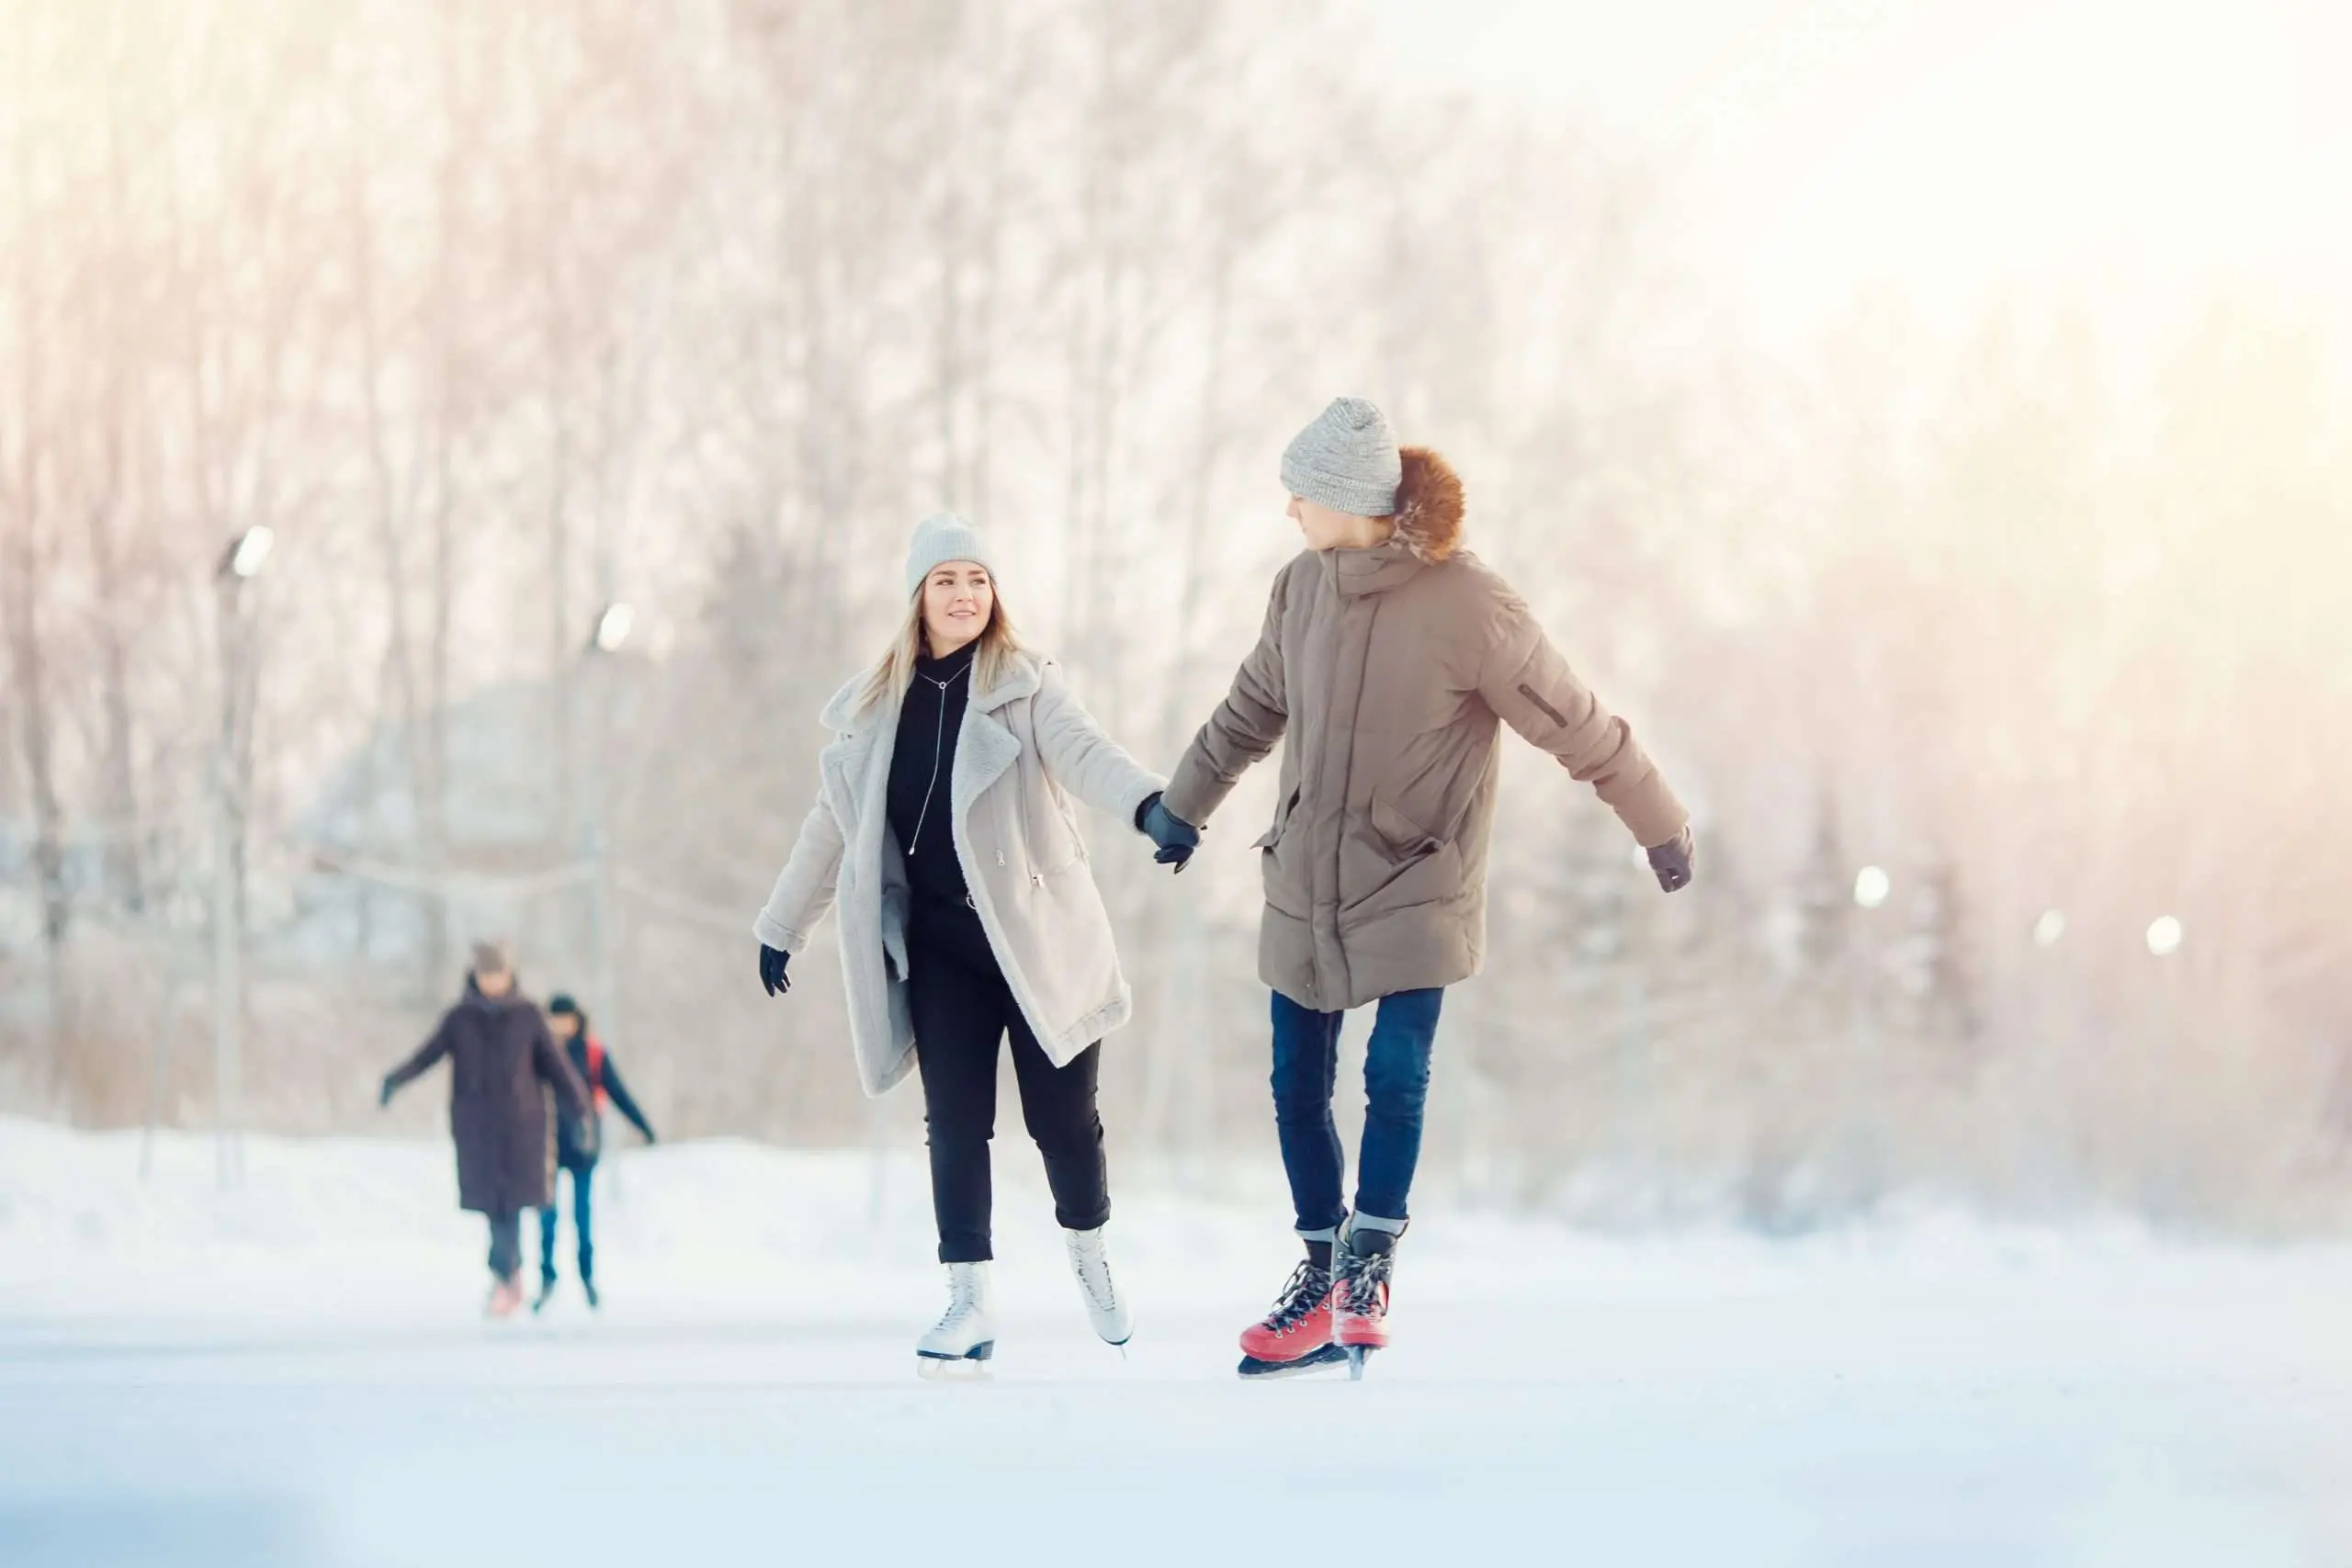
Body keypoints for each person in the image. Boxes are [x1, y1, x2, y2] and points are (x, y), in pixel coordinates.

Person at [1156, 398, 1696, 1379]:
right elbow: (1250, 709)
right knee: (1292, 1086)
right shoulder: (1300, 590)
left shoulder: (1471, 607)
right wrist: (1182, 805)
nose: (1288, 509)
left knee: (1395, 1077)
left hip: (1415, 877)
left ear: (1349, 501)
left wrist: (1657, 822)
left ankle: (1370, 1260)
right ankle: (1319, 1271)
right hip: (1303, 877)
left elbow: (1572, 720)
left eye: (1301, 494)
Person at [752, 513, 1192, 1378]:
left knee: (1061, 1122)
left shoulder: (1025, 689)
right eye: (947, 579)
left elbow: (1086, 754)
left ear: (996, 597)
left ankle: (1089, 1249)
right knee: (954, 1120)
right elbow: (828, 826)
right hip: (940, 945)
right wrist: (781, 925)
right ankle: (968, 1297)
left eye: (978, 580)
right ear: (918, 596)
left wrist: (1151, 807)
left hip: (1035, 939)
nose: (964, 594)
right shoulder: (876, 709)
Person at [380, 941, 593, 1318]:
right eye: (486, 974)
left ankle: (507, 1277)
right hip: (477, 1127)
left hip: (521, 1127)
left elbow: (557, 1067)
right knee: (494, 1207)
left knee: (509, 1205)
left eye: (498, 974)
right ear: (476, 976)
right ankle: (507, 1275)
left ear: (510, 974)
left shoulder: (528, 1017)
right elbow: (426, 1056)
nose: (493, 981)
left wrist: (579, 1112)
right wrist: (395, 1080)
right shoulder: (459, 1019)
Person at [532, 994, 657, 1314]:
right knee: (547, 1218)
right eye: (554, 1019)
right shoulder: (538, 1052)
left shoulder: (593, 1054)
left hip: (583, 1146)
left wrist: (642, 1126)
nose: (560, 1025)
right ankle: (547, 1278)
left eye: (565, 1019)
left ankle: (587, 1278)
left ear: (576, 1019)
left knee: (582, 1217)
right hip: (546, 1145)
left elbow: (618, 1093)